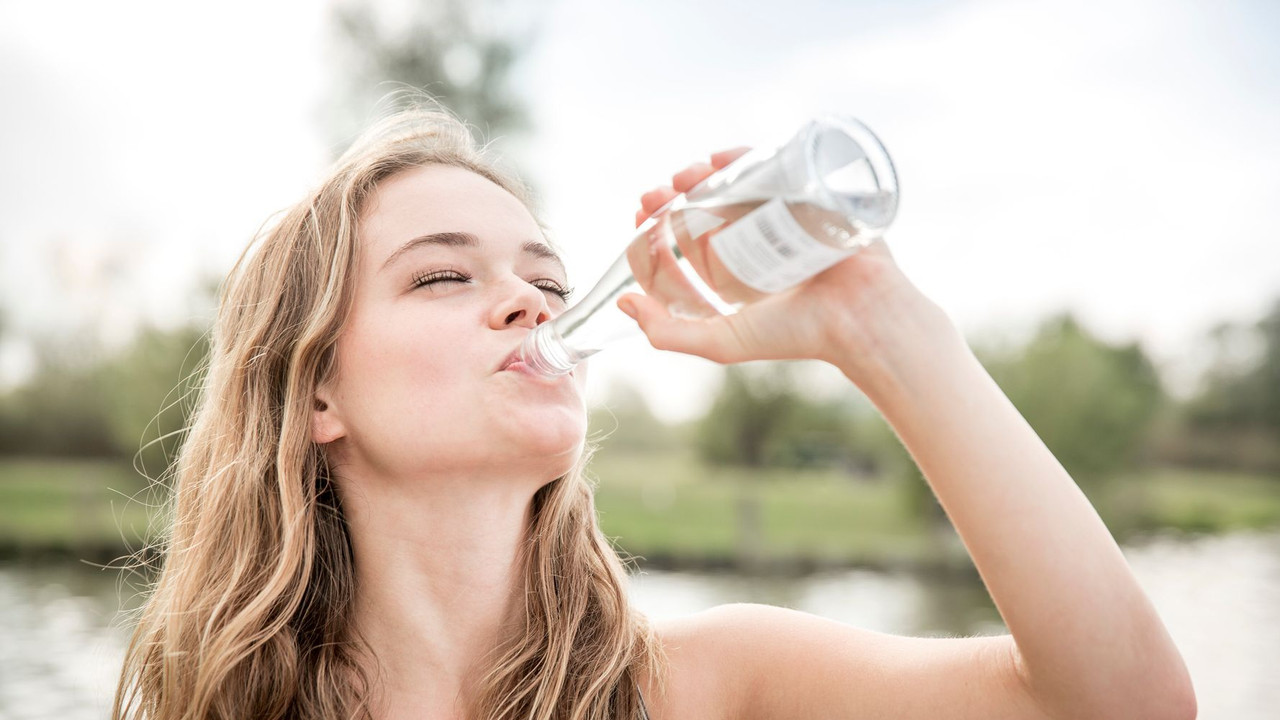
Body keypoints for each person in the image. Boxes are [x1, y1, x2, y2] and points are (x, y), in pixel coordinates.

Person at [114, 97, 1196, 720]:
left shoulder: (707, 685)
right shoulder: (216, 704)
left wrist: (881, 330)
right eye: (443, 276)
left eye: (545, 281)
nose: (526, 304)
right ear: (316, 393)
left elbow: (1122, 708)